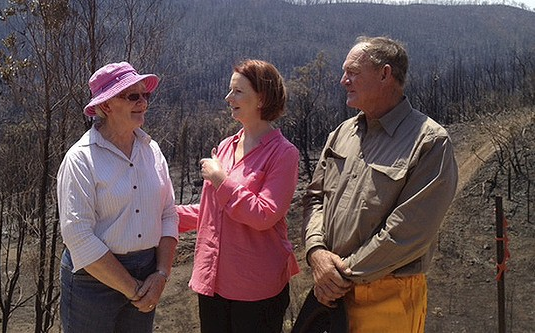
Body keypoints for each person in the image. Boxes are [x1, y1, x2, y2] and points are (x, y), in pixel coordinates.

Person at [301, 36, 459, 332]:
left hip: (387, 295)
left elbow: (408, 232)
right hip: (331, 290)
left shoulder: (430, 142)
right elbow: (315, 199)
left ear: (385, 74)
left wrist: (340, 274)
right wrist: (317, 253)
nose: (342, 80)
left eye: (352, 72)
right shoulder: (341, 134)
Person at [176, 59, 300, 333]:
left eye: (237, 92)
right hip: (213, 280)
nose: (228, 98)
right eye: (230, 91)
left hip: (256, 288)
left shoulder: (283, 153)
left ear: (262, 98)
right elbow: (215, 211)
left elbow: (264, 214)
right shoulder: (225, 147)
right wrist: (167, 214)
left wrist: (221, 179)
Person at [57, 62, 179, 333]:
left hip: (148, 274)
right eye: (133, 96)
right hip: (93, 283)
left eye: (145, 95)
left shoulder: (152, 151)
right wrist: (133, 289)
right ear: (108, 106)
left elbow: (168, 214)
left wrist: (161, 275)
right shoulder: (80, 159)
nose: (143, 103)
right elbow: (78, 236)